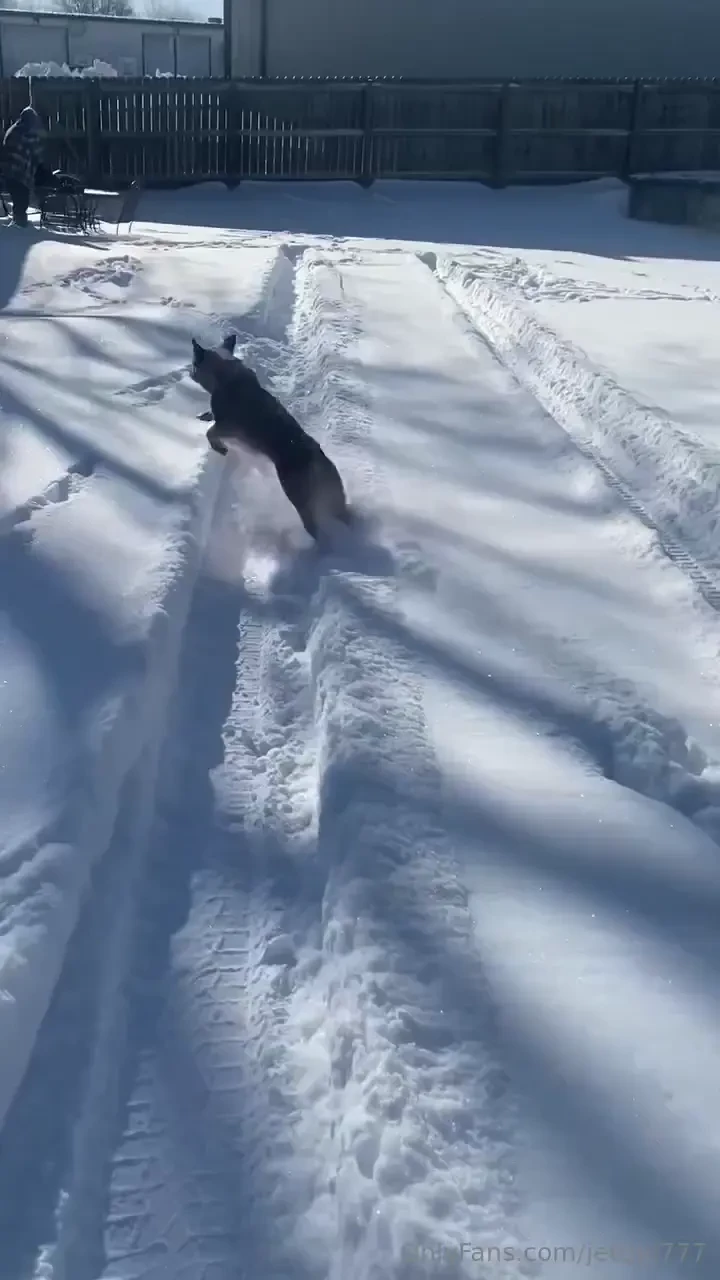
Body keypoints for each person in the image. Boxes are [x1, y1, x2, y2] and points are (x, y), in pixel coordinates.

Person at [0, 106, 53, 228]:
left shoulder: (12, 130)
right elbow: (37, 152)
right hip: (20, 171)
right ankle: (20, 225)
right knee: (22, 198)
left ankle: (18, 221)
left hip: (8, 171)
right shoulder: (28, 132)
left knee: (17, 197)